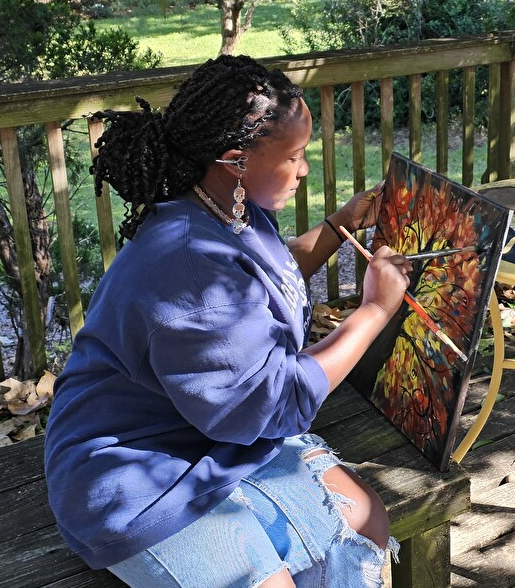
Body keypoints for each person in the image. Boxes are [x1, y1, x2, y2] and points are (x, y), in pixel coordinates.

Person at [44, 54, 412, 587]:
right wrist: (374, 311)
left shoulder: (223, 208)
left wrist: (338, 226)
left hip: (213, 435)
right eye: (295, 156)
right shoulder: (189, 267)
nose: (305, 170)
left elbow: (266, 277)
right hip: (134, 474)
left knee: (364, 524)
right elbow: (273, 401)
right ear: (235, 160)